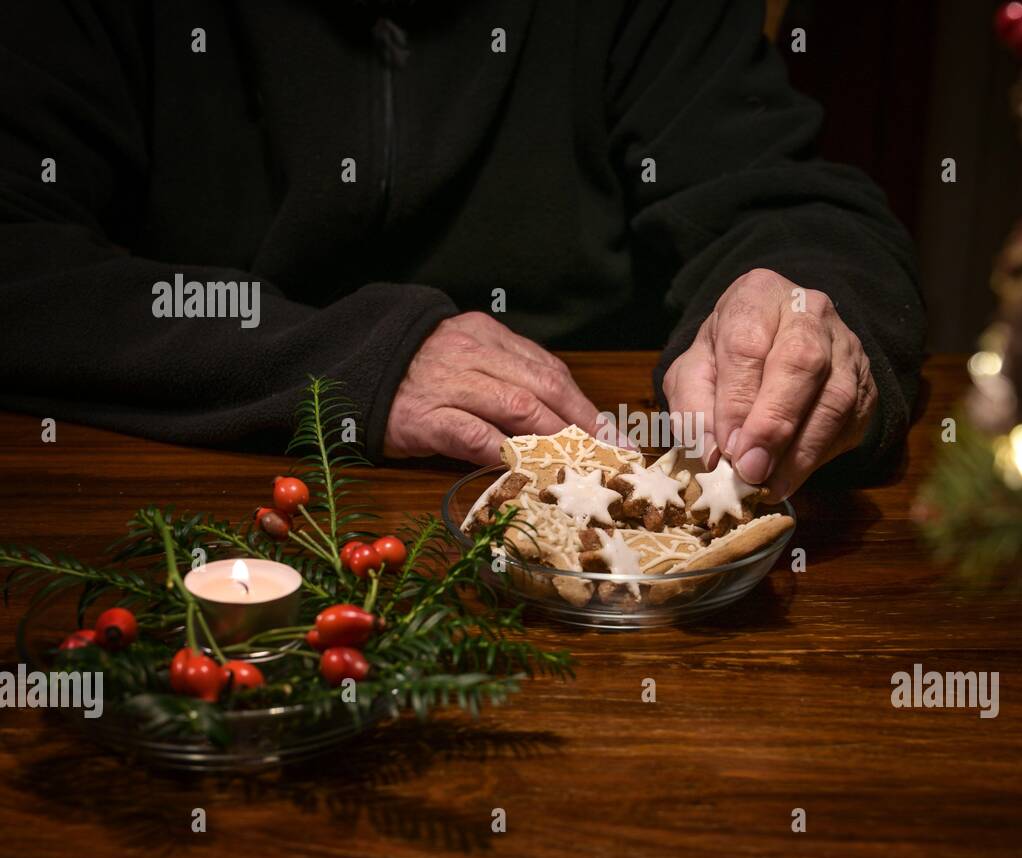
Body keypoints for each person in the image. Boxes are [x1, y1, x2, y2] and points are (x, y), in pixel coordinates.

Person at [0, 0, 924, 500]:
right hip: (205, 512)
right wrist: (358, 360)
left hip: (616, 565)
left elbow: (788, 201)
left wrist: (801, 309)